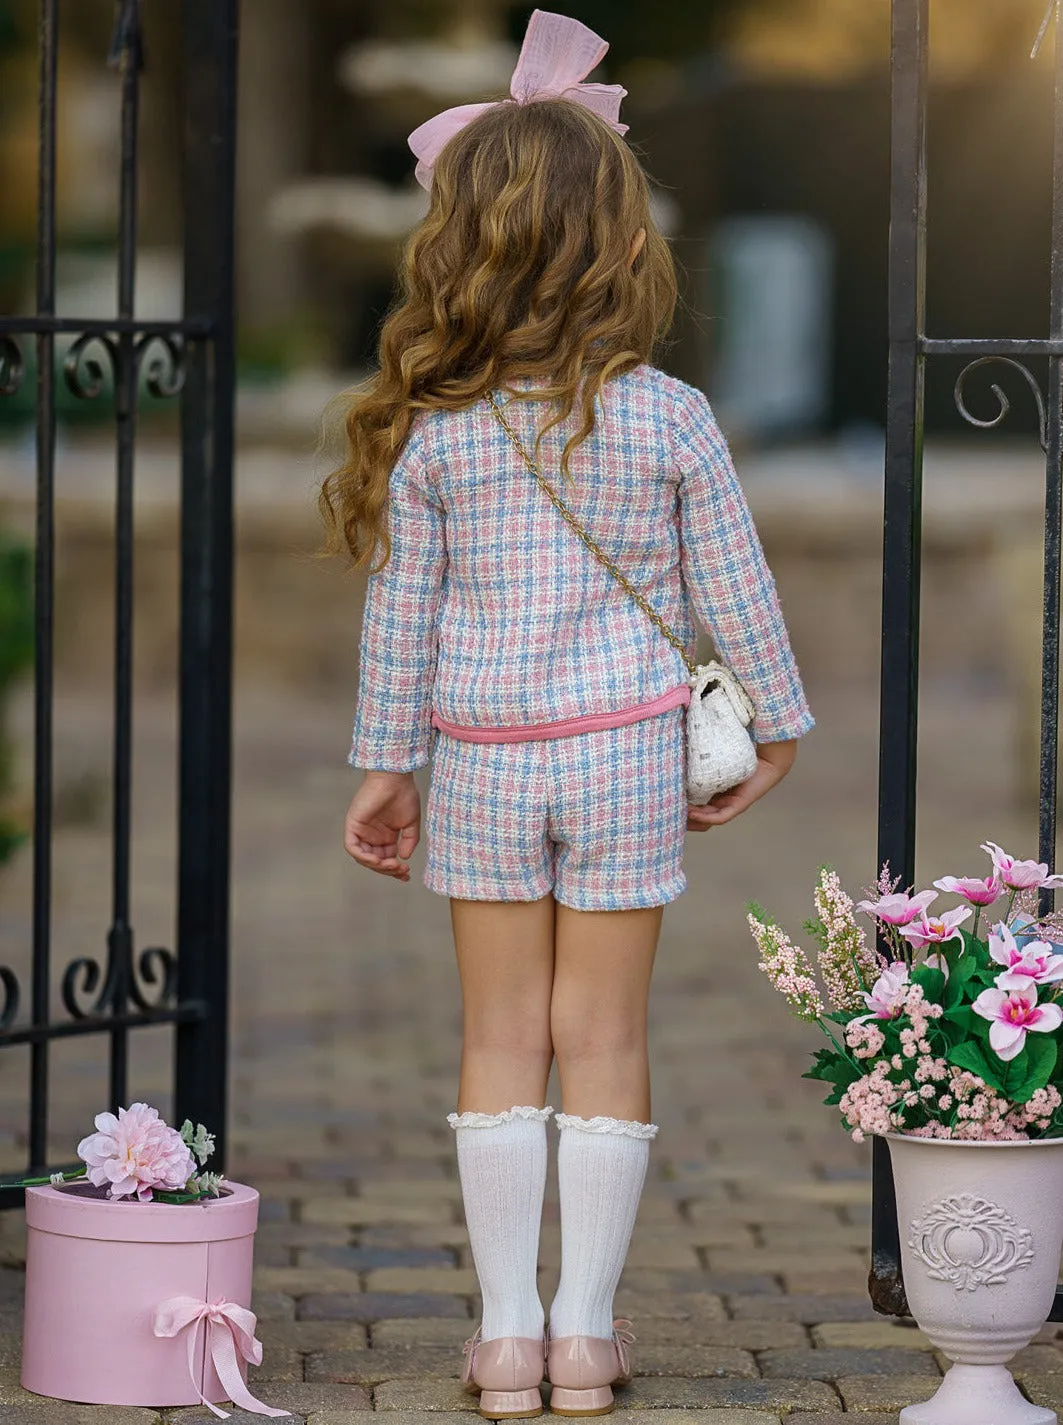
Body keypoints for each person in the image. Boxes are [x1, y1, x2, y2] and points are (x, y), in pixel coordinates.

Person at [324, 12, 813, 1418]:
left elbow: (398, 620)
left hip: (478, 760)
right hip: (622, 762)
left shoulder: (432, 430)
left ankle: (502, 1340)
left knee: (498, 1039)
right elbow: (738, 589)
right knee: (602, 1036)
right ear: (621, 239)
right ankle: (586, 1342)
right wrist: (771, 730)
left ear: (455, 244)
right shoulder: (668, 418)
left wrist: (382, 769)